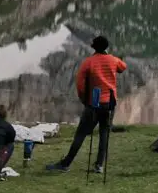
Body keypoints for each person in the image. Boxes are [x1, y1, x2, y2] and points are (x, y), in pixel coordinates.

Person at [47, 36, 127, 174]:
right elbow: (123, 67)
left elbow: (80, 85)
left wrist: (84, 99)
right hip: (109, 103)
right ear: (106, 47)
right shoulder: (113, 60)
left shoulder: (88, 62)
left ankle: (66, 163)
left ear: (93, 47)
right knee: (104, 132)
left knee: (81, 134)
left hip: (94, 103)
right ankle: (99, 165)